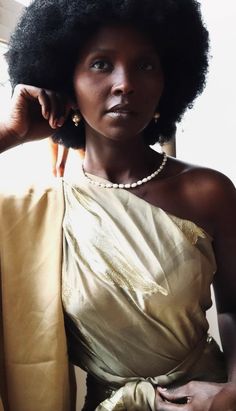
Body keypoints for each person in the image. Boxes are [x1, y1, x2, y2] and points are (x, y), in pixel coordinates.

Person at [0, 0, 236, 410]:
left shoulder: (207, 191)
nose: (125, 83)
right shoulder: (35, 211)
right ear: (65, 80)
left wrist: (232, 393)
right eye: (101, 64)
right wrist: (9, 134)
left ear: (168, 81)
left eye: (145, 66)